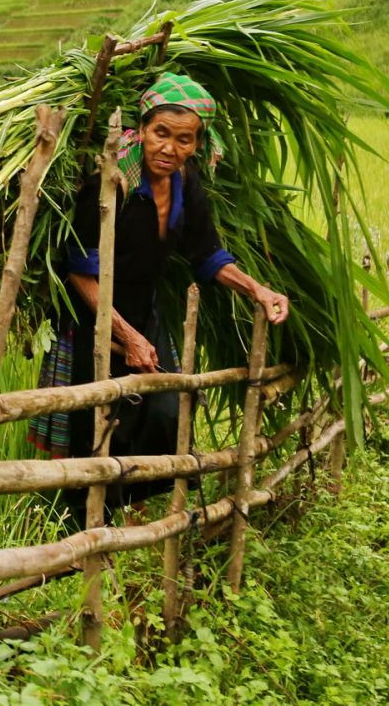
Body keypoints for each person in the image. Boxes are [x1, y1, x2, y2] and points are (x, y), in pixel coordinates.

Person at [27, 72, 289, 523]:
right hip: (93, 316)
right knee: (94, 425)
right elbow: (77, 270)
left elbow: (206, 254)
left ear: (197, 143)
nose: (169, 149)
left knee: (167, 414)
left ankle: (126, 514)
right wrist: (124, 336)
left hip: (143, 313)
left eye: (183, 139)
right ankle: (81, 535)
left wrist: (258, 290)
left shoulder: (187, 184)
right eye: (160, 134)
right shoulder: (110, 184)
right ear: (142, 129)